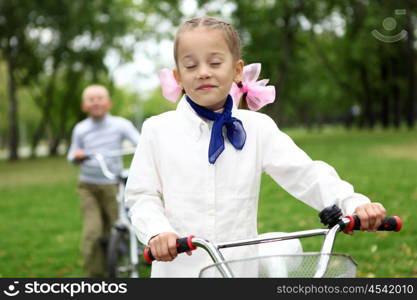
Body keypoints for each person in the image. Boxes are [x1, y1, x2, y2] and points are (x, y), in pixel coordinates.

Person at [124, 17, 386, 277]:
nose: (203, 71)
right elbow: (141, 196)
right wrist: (158, 231)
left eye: (215, 62)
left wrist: (353, 203)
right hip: (180, 270)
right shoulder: (157, 130)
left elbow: (305, 173)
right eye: (191, 65)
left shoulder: (258, 128)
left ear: (237, 70)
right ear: (178, 76)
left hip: (239, 270)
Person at [67, 84, 140, 277]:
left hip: (112, 186)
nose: (96, 102)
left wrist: (141, 149)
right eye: (91, 99)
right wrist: (78, 155)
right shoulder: (81, 129)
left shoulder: (120, 124)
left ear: (108, 103)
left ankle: (117, 264)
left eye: (100, 98)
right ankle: (96, 276)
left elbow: (140, 142)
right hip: (88, 186)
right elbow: (71, 155)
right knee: (93, 232)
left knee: (115, 228)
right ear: (84, 106)